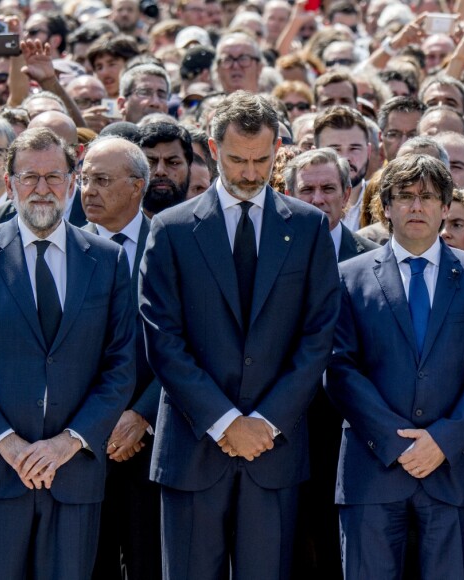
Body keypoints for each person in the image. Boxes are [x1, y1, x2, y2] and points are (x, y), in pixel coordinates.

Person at [139, 91, 340, 580]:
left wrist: (266, 421)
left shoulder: (310, 227)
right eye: (236, 160)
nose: (250, 173)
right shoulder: (171, 229)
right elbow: (163, 339)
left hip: (275, 451)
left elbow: (318, 336)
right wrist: (226, 421)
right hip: (192, 448)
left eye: (262, 160)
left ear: (278, 152)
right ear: (211, 147)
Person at [0, 127, 136, 579]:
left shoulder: (106, 259)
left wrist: (66, 444)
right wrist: (8, 445)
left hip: (73, 475)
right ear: (10, 184)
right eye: (30, 177)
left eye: (54, 177)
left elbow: (120, 366)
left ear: (72, 182)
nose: (43, 189)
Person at [327, 153, 464, 579]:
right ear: (385, 206)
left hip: (453, 472)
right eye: (404, 197)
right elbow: (339, 369)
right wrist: (399, 443)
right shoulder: (347, 277)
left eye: (427, 197)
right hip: (372, 472)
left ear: (446, 207)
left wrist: (442, 441)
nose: (416, 206)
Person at [283, 146, 377, 579]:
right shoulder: (268, 252)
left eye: (328, 189)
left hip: (353, 432)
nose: (318, 199)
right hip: (282, 428)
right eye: (307, 189)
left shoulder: (373, 258)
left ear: (348, 195)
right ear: (288, 195)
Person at [80, 136, 162, 580]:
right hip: (80, 443)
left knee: (149, 561)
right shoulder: (65, 247)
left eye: (102, 180)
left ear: (137, 186)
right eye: (85, 179)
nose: (89, 190)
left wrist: (142, 415)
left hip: (151, 442)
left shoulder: (171, 242)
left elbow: (192, 341)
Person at [313, 106, 371, 232]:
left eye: (354, 148)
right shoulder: (302, 206)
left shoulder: (387, 206)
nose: (345, 158)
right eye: (335, 149)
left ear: (369, 151)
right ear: (314, 153)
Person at [137, 121, 193, 216]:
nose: (160, 171)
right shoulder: (119, 227)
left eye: (173, 163)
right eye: (149, 163)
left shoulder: (209, 227)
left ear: (189, 168)